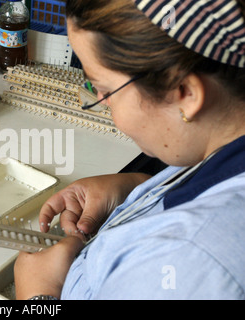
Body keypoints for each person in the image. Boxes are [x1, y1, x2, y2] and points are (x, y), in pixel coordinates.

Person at [14, 0, 245, 300]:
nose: (101, 100)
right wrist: (136, 188)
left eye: (107, 91)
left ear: (186, 94)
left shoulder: (188, 258)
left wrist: (38, 294)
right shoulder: (221, 145)